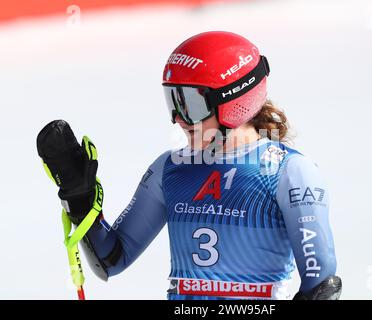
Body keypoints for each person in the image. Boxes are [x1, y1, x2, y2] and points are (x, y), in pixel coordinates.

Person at [40, 31, 342, 300]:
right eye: (173, 101)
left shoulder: (288, 172)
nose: (180, 119)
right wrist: (80, 201)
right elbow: (111, 260)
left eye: (191, 104)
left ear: (236, 100)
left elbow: (322, 287)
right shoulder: (170, 169)